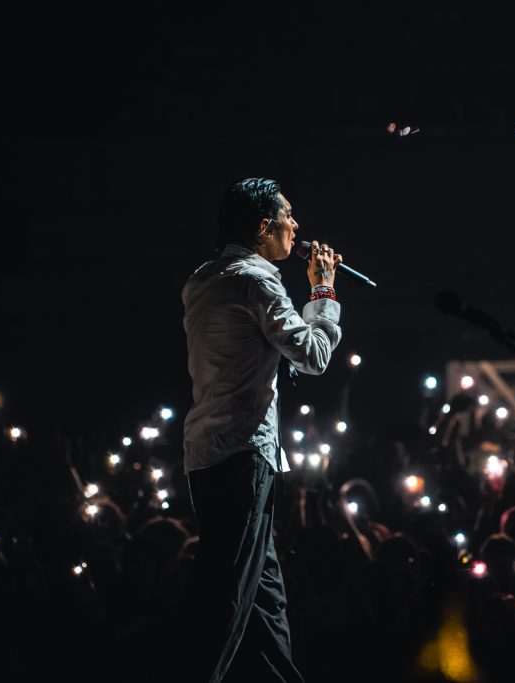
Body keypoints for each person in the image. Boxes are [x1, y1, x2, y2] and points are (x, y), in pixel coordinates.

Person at [178, 178, 343, 682]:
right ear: (261, 226)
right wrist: (323, 289)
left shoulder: (203, 278)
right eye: (287, 216)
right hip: (243, 453)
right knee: (227, 597)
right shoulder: (257, 280)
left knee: (264, 601)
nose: (296, 226)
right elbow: (313, 355)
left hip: (207, 453)